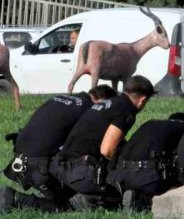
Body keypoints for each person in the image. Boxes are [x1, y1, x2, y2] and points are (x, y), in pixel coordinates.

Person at [0, 85, 117, 212]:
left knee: (66, 193)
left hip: (20, 159)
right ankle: (16, 199)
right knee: (63, 205)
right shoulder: (88, 109)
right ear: (102, 102)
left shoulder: (59, 98)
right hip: (37, 166)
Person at [52, 75, 156, 210]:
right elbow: (107, 150)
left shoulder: (109, 102)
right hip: (79, 171)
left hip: (61, 168)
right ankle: (81, 201)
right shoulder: (127, 111)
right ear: (142, 100)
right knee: (123, 193)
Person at [108, 112, 184, 213]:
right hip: (147, 178)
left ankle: (132, 193)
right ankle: (142, 200)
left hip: (119, 176)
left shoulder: (151, 124)